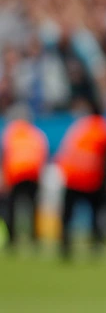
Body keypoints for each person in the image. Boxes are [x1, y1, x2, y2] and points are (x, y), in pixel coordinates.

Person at [55, 97, 106, 261]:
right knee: (96, 213)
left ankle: (65, 245)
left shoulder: (79, 126)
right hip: (92, 177)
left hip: (73, 176)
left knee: (68, 214)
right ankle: (97, 244)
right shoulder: (103, 127)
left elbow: (65, 150)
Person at [2, 106, 49, 254]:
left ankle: (12, 239)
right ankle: (34, 239)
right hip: (33, 174)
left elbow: (5, 155)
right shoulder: (37, 133)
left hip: (15, 173)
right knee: (33, 208)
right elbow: (43, 155)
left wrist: (4, 179)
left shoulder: (11, 131)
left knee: (11, 208)